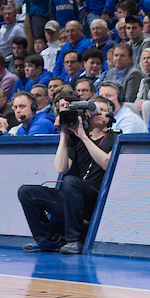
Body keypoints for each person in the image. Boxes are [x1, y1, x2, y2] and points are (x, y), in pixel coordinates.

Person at [17, 96, 117, 254]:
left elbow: (106, 163)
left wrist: (83, 136)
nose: (99, 113)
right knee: (26, 192)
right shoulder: (74, 139)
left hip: (97, 202)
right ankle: (47, 239)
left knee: (71, 181)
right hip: (73, 201)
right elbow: (61, 168)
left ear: (110, 116)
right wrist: (64, 133)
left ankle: (73, 240)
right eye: (95, 110)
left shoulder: (115, 137)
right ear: (86, 115)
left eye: (104, 110)